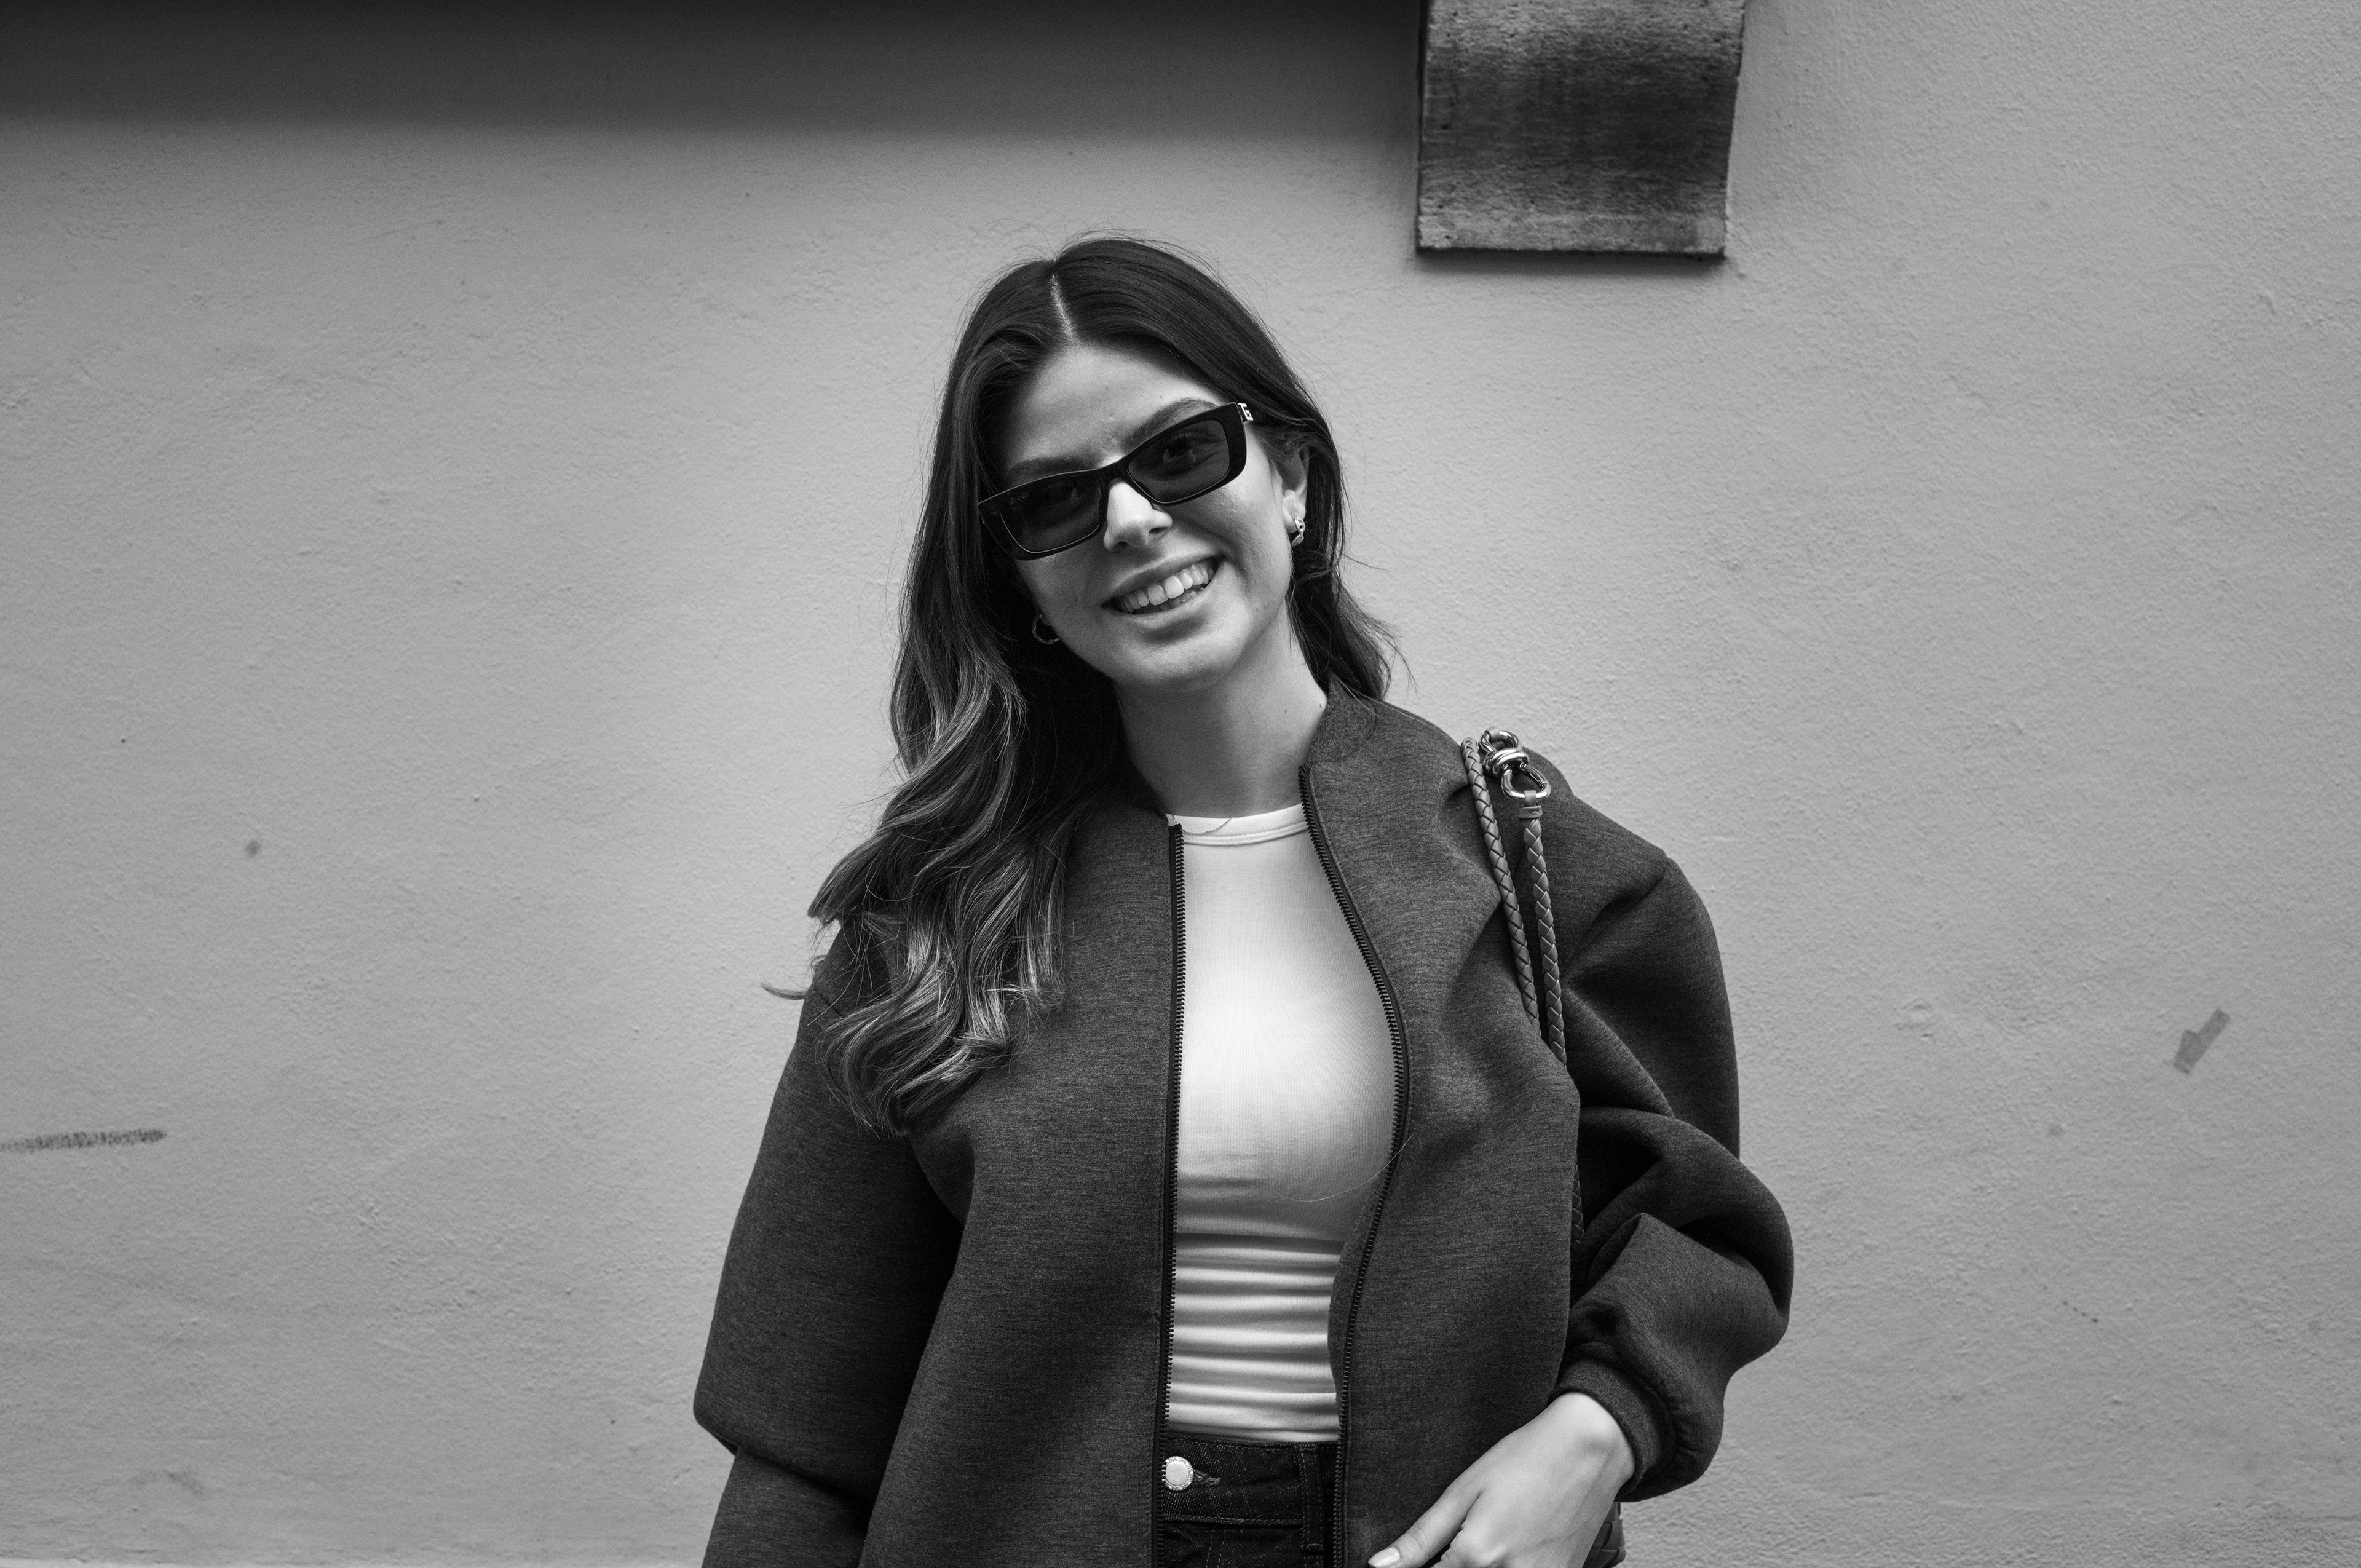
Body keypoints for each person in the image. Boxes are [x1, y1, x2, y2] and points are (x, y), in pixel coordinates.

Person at [694, 237, 1793, 1568]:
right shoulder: (936, 919)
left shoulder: (1534, 870)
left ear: (1291, 475)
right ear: (1020, 578)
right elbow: (802, 1432)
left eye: (1179, 452)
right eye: (1056, 500)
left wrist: (1595, 1431)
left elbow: (1700, 1227)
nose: (1130, 520)